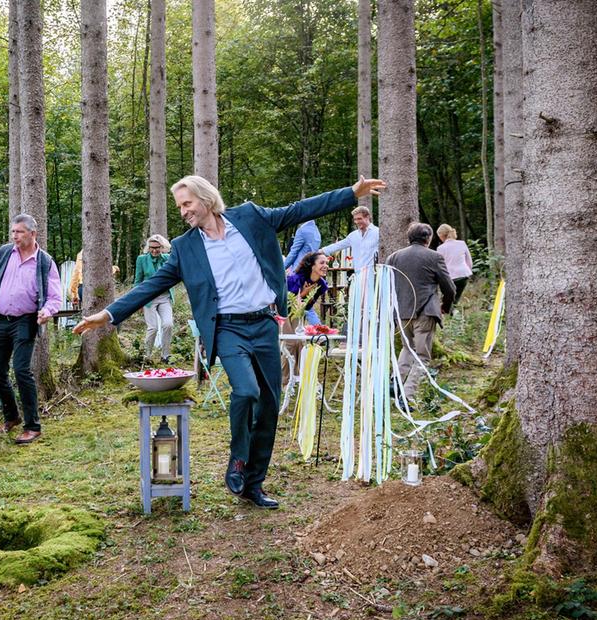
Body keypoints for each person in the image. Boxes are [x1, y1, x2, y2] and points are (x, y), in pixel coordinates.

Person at [75, 175, 387, 508]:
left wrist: (351, 192)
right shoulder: (185, 247)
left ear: (206, 199)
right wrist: (107, 315)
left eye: (187, 203)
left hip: (265, 324)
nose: (183, 212)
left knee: (268, 405)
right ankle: (237, 458)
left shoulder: (250, 217)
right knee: (247, 391)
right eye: (179, 206)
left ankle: (253, 485)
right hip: (227, 329)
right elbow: (151, 285)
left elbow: (300, 210)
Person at [0, 214, 63, 445]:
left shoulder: (45, 262)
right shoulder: (4, 252)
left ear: (32, 234)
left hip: (25, 321)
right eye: (13, 232)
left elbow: (55, 297)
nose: (14, 236)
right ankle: (11, 417)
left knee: (21, 370)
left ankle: (32, 426)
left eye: (19, 232)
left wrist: (46, 311)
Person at [386, 223, 455, 405]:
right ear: (429, 238)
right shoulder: (434, 257)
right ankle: (407, 396)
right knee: (422, 355)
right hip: (426, 311)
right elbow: (450, 288)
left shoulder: (393, 257)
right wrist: (445, 307)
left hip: (402, 312)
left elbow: (388, 286)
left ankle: (395, 381)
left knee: (408, 349)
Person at [135, 235, 174, 362]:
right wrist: (138, 301)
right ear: (148, 248)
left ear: (162, 247)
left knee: (168, 324)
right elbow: (138, 281)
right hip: (148, 299)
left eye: (157, 248)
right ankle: (147, 356)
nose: (154, 250)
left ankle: (165, 355)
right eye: (152, 248)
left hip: (164, 297)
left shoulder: (167, 258)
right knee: (153, 328)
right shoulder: (141, 260)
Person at [320, 206, 380, 271]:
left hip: (374, 275)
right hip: (358, 275)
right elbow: (337, 246)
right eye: (355, 219)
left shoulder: (378, 232)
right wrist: (319, 251)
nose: (356, 222)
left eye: (359, 219)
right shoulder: (353, 235)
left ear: (367, 217)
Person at [286, 251, 331, 326]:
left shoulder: (321, 285)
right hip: (283, 316)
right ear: (312, 266)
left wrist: (310, 300)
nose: (326, 266)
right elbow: (284, 304)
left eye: (326, 263)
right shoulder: (295, 280)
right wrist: (303, 293)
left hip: (298, 316)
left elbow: (307, 308)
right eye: (322, 263)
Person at [435, 224, 473, 304]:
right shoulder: (462, 243)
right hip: (463, 275)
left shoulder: (440, 248)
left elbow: (439, 266)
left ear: (442, 236)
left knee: (448, 300)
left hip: (449, 277)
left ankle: (451, 313)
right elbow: (469, 261)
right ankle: (454, 312)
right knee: (455, 299)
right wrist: (468, 272)